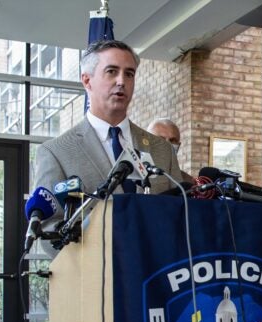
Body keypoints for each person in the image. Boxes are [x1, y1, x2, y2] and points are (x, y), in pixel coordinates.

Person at [32, 40, 185, 216]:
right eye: (111, 71)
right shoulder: (56, 152)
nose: (121, 81)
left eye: (129, 74)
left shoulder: (163, 151)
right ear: (87, 80)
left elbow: (180, 216)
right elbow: (48, 229)